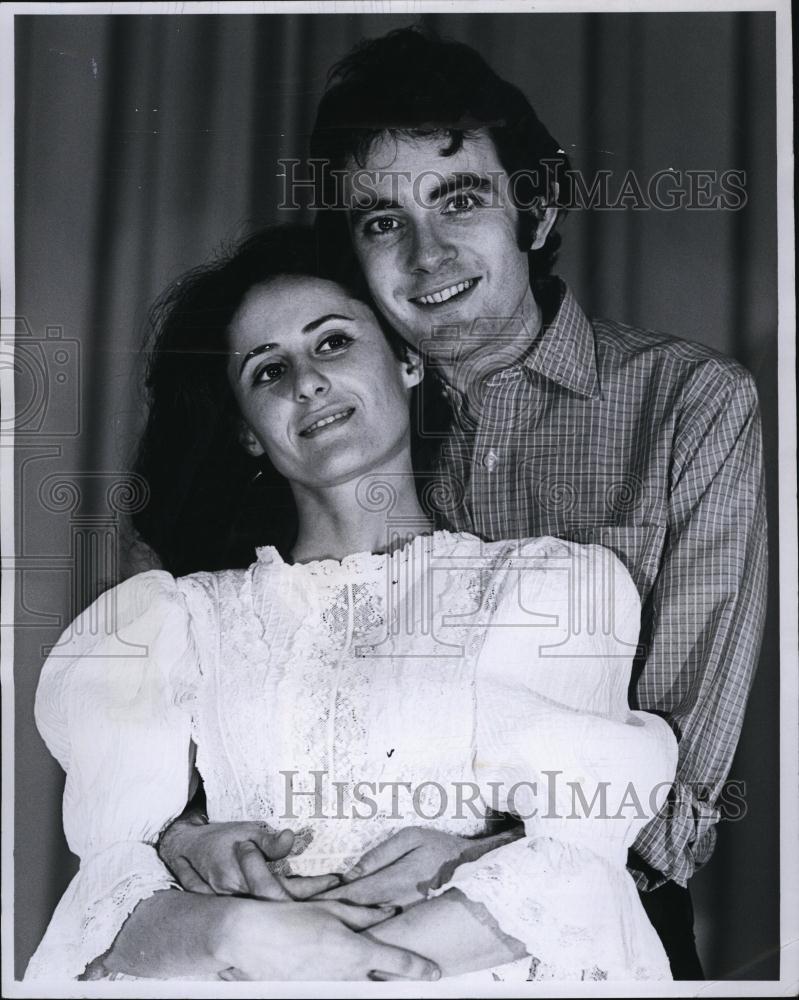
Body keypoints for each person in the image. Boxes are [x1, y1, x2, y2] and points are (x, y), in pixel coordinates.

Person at [164, 26, 767, 979]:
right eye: (379, 221)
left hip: (588, 926)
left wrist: (487, 862)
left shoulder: (687, 406)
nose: (425, 251)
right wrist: (195, 837)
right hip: (315, 924)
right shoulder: (330, 420)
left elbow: (677, 777)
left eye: (460, 198)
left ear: (536, 205)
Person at [26, 225, 677, 982]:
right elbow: (108, 898)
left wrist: (345, 953)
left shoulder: (542, 589)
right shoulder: (181, 619)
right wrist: (192, 859)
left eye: (331, 343)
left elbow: (577, 863)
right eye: (267, 371)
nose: (305, 381)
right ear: (246, 431)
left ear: (405, 359)